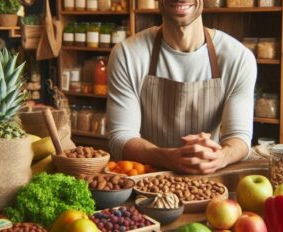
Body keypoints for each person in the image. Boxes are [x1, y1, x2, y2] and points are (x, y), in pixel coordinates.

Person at [107, 0, 257, 174]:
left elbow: (239, 137)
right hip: (146, 180)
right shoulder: (127, 54)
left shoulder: (237, 58)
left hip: (207, 179)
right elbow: (120, 138)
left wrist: (221, 157)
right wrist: (166, 157)